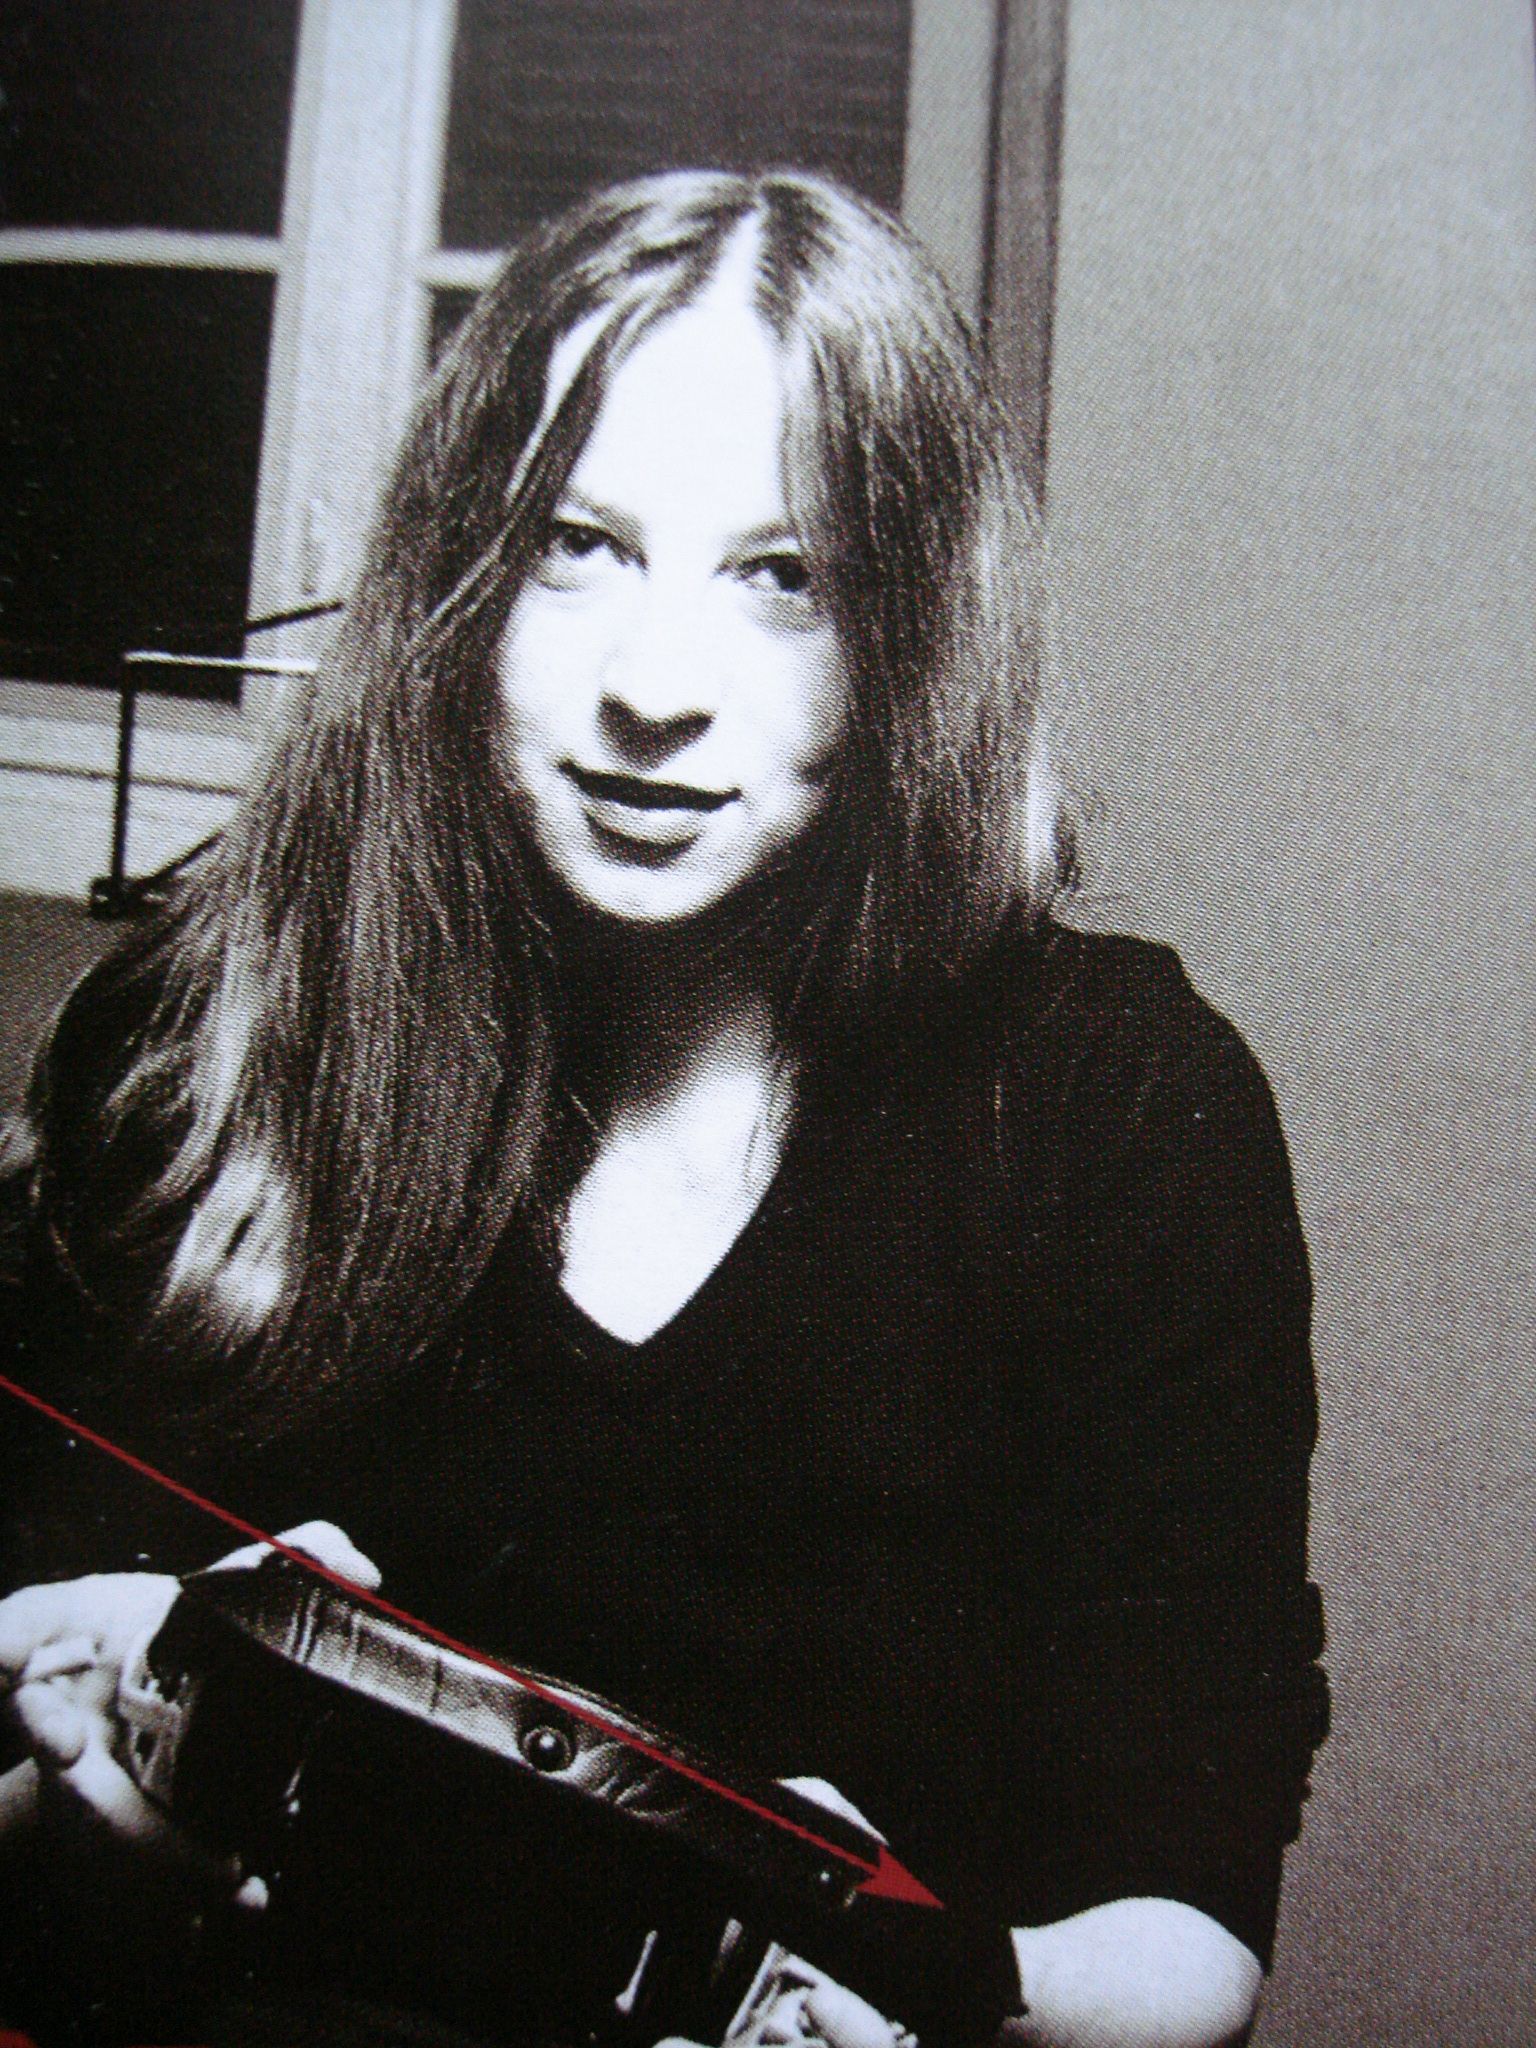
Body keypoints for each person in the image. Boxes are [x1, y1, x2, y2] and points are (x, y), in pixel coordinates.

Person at [0, 170, 1327, 2048]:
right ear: (458, 573)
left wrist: (935, 1989)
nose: (653, 689)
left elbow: (1191, 1932)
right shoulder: (191, 1049)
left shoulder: (1118, 1116)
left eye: (786, 578)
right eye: (577, 545)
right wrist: (104, 1817)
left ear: (915, 629)